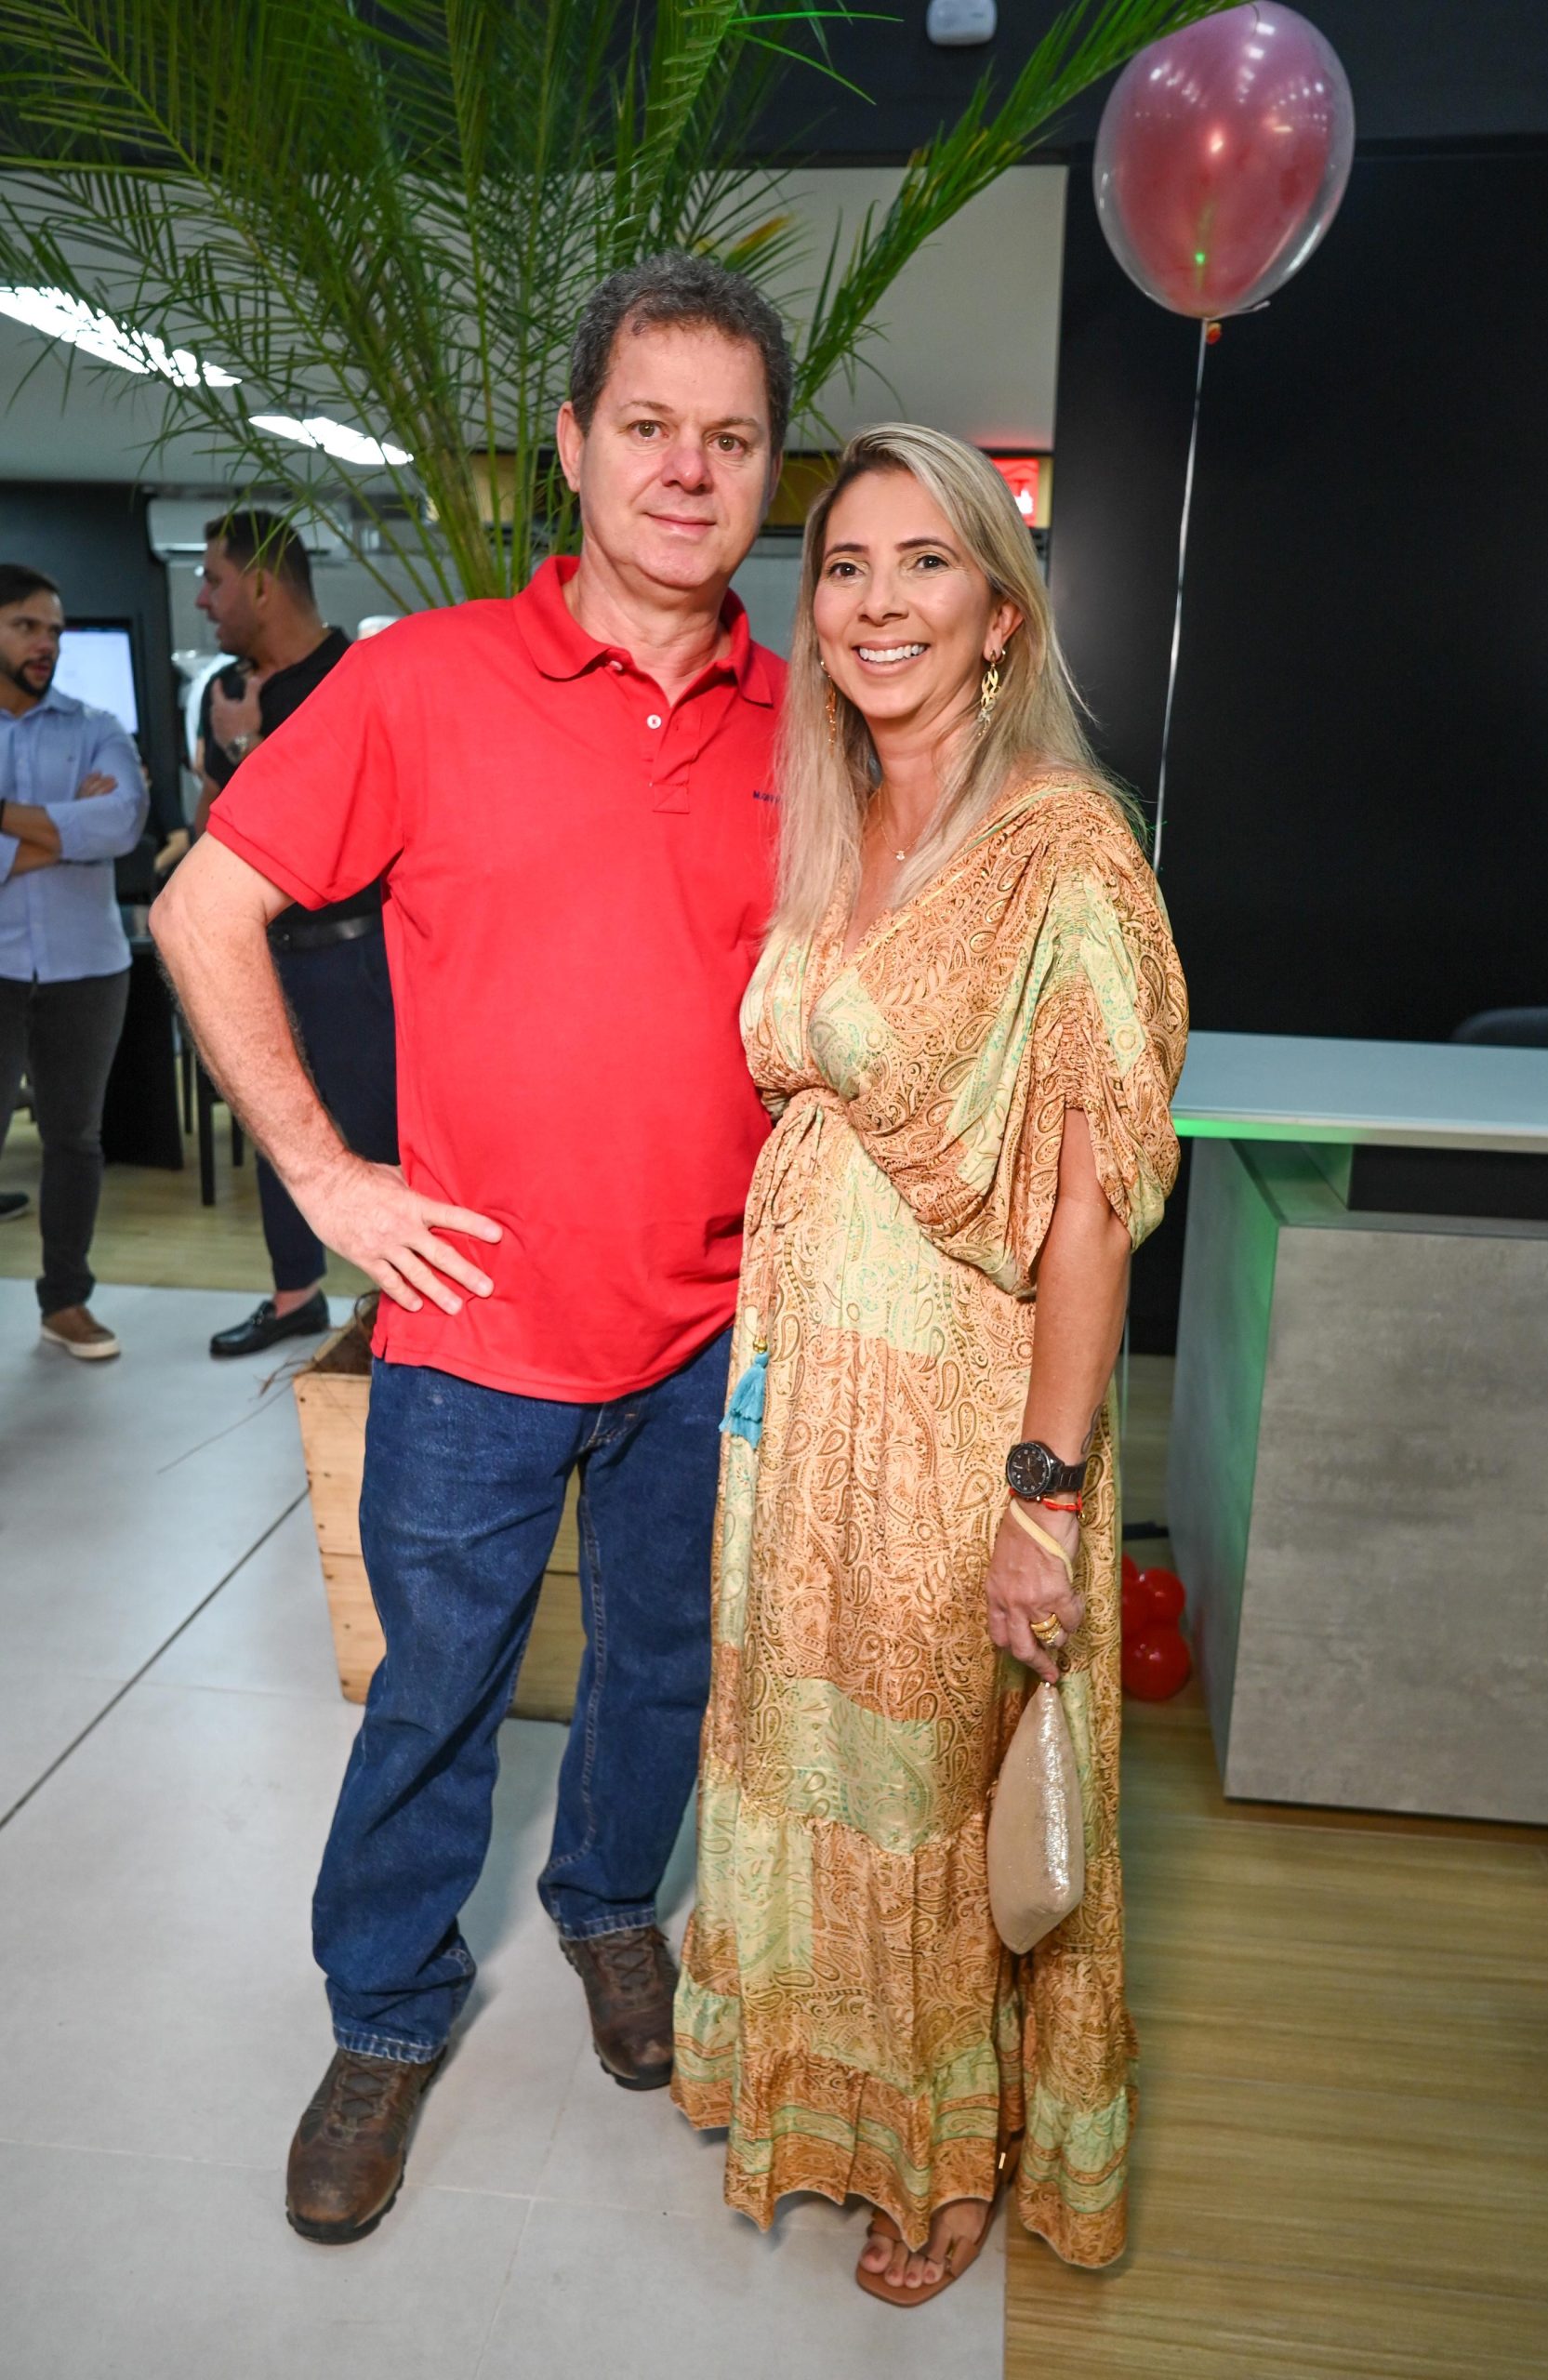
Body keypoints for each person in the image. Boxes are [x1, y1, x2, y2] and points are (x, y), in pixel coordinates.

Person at [151, 253, 790, 2244]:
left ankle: (605, 1905)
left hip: (715, 1328)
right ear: (576, 448)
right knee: (435, 1690)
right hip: (474, 1322)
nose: (687, 469)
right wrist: (330, 1180)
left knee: (666, 1664)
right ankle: (386, 2010)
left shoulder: (816, 722)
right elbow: (201, 910)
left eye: (731, 437)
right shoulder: (423, 682)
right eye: (648, 426)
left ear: (769, 468)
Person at [671, 427, 1188, 2301]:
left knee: (921, 1790)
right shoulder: (838, 822)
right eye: (846, 567)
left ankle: (940, 2150)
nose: (877, 602)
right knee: (801, 1749)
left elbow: (1088, 1211)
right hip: (798, 1407)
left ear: (999, 614)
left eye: (924, 564)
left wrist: (1040, 1497)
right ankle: (824, 2087)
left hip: (955, 1421)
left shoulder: (1064, 852)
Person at [190, 510, 400, 1359]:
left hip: (357, 954)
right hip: (262, 953)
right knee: (272, 1116)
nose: (203, 601)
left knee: (386, 1131)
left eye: (214, 581)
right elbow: (209, 835)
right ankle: (294, 1296)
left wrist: (248, 749)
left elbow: (348, 829)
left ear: (262, 586)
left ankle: (404, 1308)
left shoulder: (356, 677)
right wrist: (229, 754)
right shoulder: (227, 692)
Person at [0, 563, 149, 1357]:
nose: (46, 644)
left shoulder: (98, 726)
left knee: (74, 1140)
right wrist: (66, 830)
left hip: (88, 968)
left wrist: (6, 822)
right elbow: (91, 829)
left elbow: (121, 823)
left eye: (54, 631)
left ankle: (65, 1302)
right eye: (26, 626)